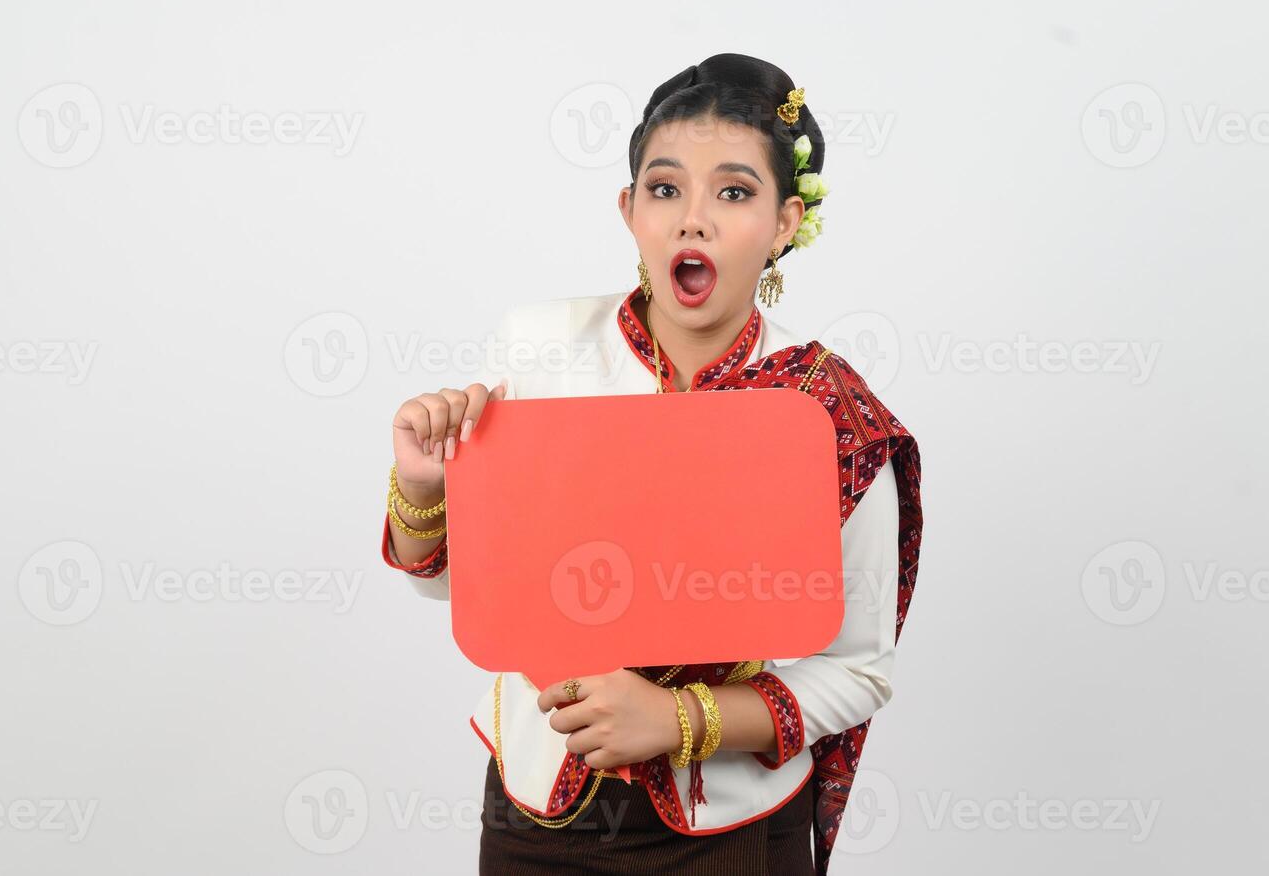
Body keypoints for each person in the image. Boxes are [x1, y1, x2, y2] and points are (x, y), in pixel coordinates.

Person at [380, 53, 924, 875]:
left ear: (785, 221)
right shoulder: (538, 348)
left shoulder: (826, 411)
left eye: (734, 193)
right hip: (534, 814)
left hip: (728, 832)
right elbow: (460, 589)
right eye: (665, 190)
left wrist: (677, 721)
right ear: (629, 209)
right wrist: (423, 488)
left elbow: (856, 671)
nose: (692, 220)